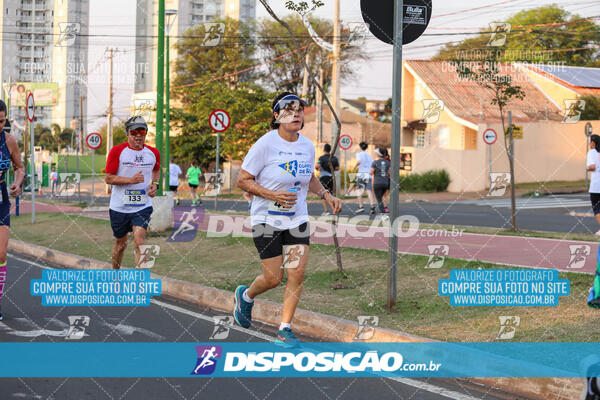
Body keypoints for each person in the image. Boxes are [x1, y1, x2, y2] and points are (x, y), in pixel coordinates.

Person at [236, 92, 342, 347]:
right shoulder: (265, 144)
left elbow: (309, 177)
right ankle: (247, 296)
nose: (296, 113)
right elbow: (242, 179)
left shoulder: (306, 145)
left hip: (296, 219)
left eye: (299, 109)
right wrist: (273, 194)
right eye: (288, 109)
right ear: (276, 116)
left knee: (297, 274)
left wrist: (325, 193)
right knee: (274, 278)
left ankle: (284, 329)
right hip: (266, 220)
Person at [105, 116, 160, 269]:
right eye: (134, 132)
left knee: (140, 242)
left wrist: (155, 185)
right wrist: (131, 180)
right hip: (119, 207)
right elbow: (108, 178)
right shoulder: (117, 151)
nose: (138, 135)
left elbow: (156, 169)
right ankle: (115, 274)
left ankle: (139, 283)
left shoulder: (153, 153)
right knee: (121, 244)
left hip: (141, 206)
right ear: (127, 133)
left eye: (142, 131)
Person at [0, 100, 25, 320]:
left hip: (1, 201)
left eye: (1, 121)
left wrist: (17, 182)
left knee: (1, 253)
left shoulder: (8, 141)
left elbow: (20, 167)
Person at [315, 143, 339, 216]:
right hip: (331, 177)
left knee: (323, 194)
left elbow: (317, 166)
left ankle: (326, 211)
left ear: (324, 149)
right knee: (331, 194)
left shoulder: (321, 158)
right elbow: (337, 168)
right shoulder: (334, 158)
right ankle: (334, 209)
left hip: (323, 177)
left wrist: (318, 169)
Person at [354, 141, 375, 215]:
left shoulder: (359, 154)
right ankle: (372, 206)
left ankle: (361, 206)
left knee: (359, 190)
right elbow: (373, 164)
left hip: (361, 175)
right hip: (368, 175)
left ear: (360, 147)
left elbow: (359, 161)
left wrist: (355, 166)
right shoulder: (369, 155)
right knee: (369, 191)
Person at [371, 148, 390, 215]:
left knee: (379, 197)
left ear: (378, 154)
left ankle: (382, 210)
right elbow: (389, 173)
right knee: (383, 196)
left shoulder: (375, 162)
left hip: (377, 182)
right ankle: (386, 208)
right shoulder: (387, 162)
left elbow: (371, 172)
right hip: (385, 182)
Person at [588, 135, 600, 235]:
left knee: (597, 209)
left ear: (593, 143)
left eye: (590, 141)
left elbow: (591, 167)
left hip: (596, 186)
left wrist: (588, 168)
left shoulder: (592, 153)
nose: (589, 143)